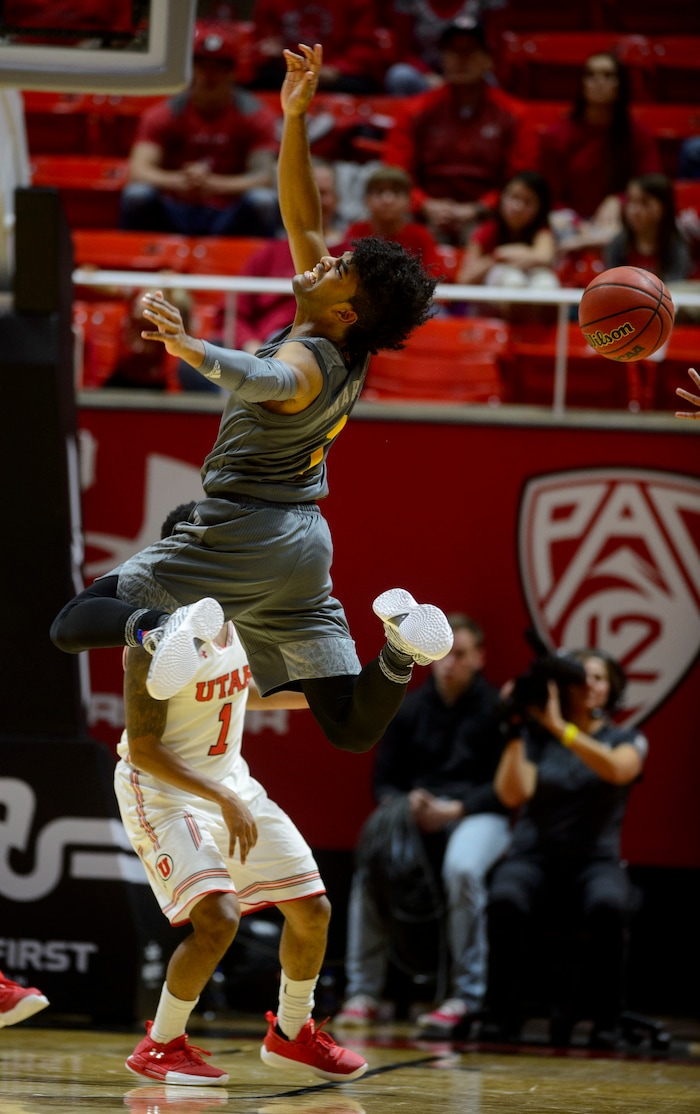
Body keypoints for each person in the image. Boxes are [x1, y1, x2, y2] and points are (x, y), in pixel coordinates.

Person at [50, 45, 450, 764]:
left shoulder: (305, 356)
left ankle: (161, 630)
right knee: (352, 726)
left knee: (76, 621)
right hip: (303, 544)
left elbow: (272, 382)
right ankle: (400, 643)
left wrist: (194, 350)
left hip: (245, 531)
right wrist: (293, 120)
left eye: (339, 268)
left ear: (350, 310)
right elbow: (303, 213)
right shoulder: (339, 335)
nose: (324, 259)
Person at [117, 501, 367, 1086]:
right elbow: (147, 748)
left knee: (312, 910)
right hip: (161, 790)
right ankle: (160, 1043)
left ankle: (292, 1033)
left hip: (230, 782)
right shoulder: (150, 639)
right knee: (219, 919)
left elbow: (243, 690)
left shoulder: (234, 616)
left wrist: (333, 702)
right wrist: (223, 799)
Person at [334, 614, 511, 1038]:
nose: (450, 663)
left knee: (463, 870)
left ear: (479, 658)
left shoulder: (498, 711)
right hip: (417, 814)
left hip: (478, 814)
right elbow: (384, 782)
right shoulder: (408, 706)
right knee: (371, 859)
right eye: (445, 655)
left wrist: (454, 809)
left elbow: (505, 790)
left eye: (461, 654)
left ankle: (464, 997)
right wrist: (405, 803)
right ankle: (363, 994)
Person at [485, 650, 648, 1049]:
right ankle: (500, 1016)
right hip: (534, 856)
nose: (590, 685)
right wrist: (515, 728)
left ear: (612, 689)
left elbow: (618, 769)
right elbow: (512, 794)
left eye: (599, 678)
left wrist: (563, 730)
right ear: (564, 688)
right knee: (505, 897)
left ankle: (606, 1021)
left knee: (609, 904)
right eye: (582, 678)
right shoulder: (538, 739)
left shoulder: (625, 738)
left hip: (595, 860)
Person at [381, 17, 538, 245]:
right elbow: (396, 173)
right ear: (442, 58)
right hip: (425, 215)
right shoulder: (414, 111)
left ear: (488, 60)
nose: (461, 59)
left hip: (491, 217)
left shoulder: (515, 115)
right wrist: (424, 204)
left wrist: (481, 208)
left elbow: (522, 180)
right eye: (453, 51)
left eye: (470, 51)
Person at [119, 20, 280, 237]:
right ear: (191, 69)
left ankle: (255, 266)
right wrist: (180, 181)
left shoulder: (256, 115)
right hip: (174, 208)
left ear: (233, 72)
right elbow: (139, 170)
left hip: (229, 212)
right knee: (137, 195)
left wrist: (212, 184)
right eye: (203, 65)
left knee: (263, 201)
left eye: (219, 67)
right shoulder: (164, 113)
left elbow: (263, 177)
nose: (210, 75)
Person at [538, 52, 661, 257]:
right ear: (582, 83)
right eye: (591, 75)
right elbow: (549, 196)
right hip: (568, 224)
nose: (599, 82)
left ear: (620, 84)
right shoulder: (557, 135)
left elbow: (653, 185)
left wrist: (620, 201)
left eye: (608, 76)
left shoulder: (637, 133)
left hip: (624, 223)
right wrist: (578, 225)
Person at [236, 159, 347, 354]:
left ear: (337, 199)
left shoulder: (352, 255)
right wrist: (251, 346)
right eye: (308, 194)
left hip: (330, 355)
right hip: (267, 349)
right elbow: (234, 312)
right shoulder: (268, 253)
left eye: (323, 193)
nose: (316, 202)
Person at [455, 169, 559, 293]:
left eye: (528, 201)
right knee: (512, 280)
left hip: (534, 303)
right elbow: (465, 278)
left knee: (545, 282)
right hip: (489, 307)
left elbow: (545, 257)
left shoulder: (542, 232)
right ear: (502, 198)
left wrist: (506, 253)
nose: (518, 207)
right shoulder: (485, 231)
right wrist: (495, 258)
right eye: (514, 197)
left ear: (540, 208)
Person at [248, 0, 385, 93]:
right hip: (288, 71)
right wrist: (267, 51)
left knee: (360, 86)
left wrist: (337, 69)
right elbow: (259, 43)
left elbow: (364, 48)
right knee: (258, 78)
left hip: (339, 75)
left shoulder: (357, 3)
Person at [344, 164, 444, 279]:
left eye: (396, 193)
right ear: (366, 199)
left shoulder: (421, 235)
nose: (387, 200)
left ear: (409, 200)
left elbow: (433, 276)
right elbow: (347, 273)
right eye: (379, 192)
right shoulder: (356, 231)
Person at [603, 173, 694, 284]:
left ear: (663, 208)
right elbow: (612, 285)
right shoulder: (617, 244)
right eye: (631, 201)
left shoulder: (677, 247)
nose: (634, 211)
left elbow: (675, 288)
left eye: (644, 203)